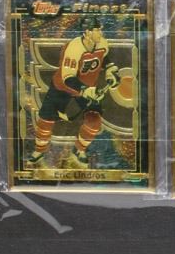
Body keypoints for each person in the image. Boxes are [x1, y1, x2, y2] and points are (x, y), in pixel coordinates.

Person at [26, 17, 118, 168]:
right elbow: (68, 78)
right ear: (87, 32)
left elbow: (104, 56)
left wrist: (109, 71)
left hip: (88, 89)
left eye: (100, 29)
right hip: (63, 89)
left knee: (94, 121)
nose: (100, 32)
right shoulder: (74, 48)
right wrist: (86, 90)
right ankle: (39, 151)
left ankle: (79, 150)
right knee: (46, 119)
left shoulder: (101, 42)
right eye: (97, 30)